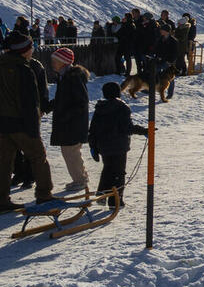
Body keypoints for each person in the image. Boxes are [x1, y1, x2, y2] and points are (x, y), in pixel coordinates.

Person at [0, 32, 55, 209]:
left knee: (4, 162)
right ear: (23, 51)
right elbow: (30, 102)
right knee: (38, 157)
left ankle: (2, 200)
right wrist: (33, 128)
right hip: (21, 123)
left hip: (2, 123)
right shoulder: (25, 70)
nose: (32, 50)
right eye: (31, 47)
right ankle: (44, 195)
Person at [87, 80, 147, 206]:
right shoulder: (122, 107)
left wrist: (93, 146)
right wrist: (144, 131)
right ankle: (115, 200)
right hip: (119, 146)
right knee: (119, 173)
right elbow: (127, 128)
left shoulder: (100, 108)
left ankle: (102, 193)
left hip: (104, 147)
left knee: (108, 169)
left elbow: (93, 129)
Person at [49, 47, 91, 193]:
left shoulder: (73, 77)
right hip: (69, 123)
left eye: (55, 61)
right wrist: (50, 106)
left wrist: (66, 115)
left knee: (71, 152)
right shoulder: (64, 76)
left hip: (73, 124)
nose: (53, 63)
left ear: (64, 62)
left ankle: (80, 180)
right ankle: (80, 178)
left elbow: (81, 101)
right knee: (70, 152)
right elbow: (64, 99)